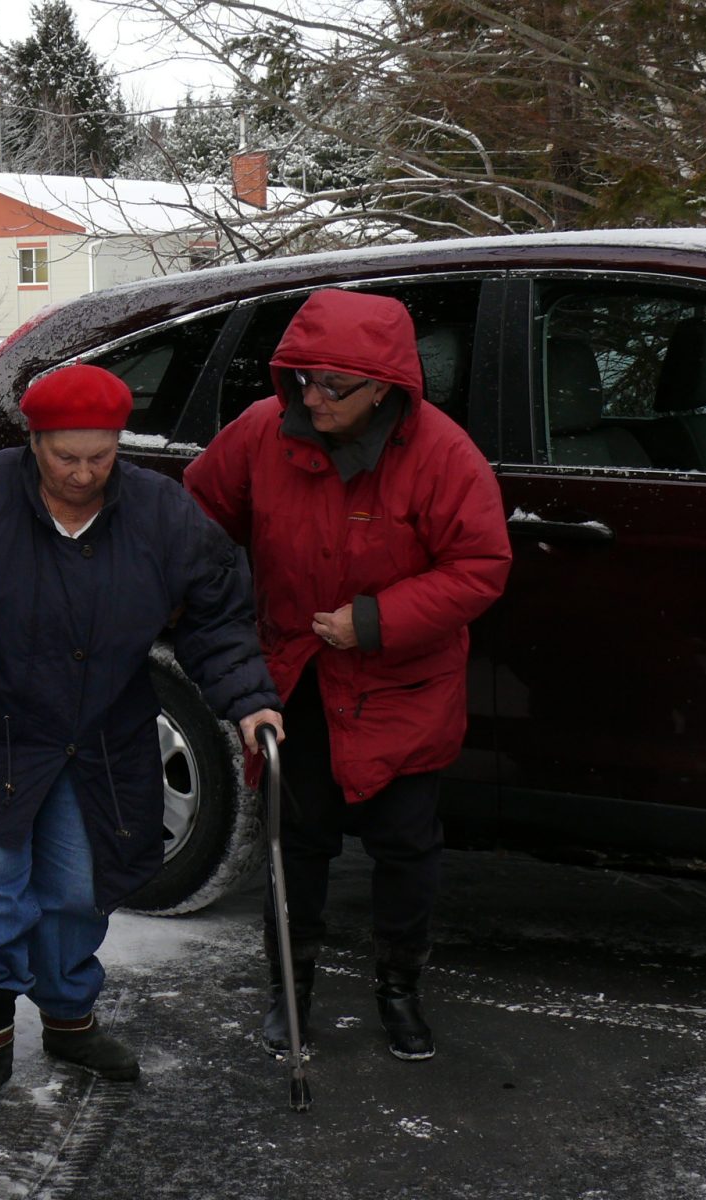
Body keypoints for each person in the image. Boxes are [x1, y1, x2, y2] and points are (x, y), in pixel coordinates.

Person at [0, 363, 282, 1112]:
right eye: (64, 457)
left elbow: (215, 614)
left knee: (81, 886)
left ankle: (69, 1021)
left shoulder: (159, 514)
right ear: (34, 444)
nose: (83, 474)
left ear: (119, 447)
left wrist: (249, 700)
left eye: (100, 458)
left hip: (101, 735)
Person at [183, 289, 512, 1063]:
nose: (313, 397)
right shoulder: (262, 434)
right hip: (295, 679)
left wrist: (376, 620)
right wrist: (218, 603)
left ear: (386, 387)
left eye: (335, 385)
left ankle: (399, 991)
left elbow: (480, 565)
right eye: (303, 378)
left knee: (404, 847)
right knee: (295, 844)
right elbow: (196, 523)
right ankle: (287, 995)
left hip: (402, 688)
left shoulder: (441, 454)